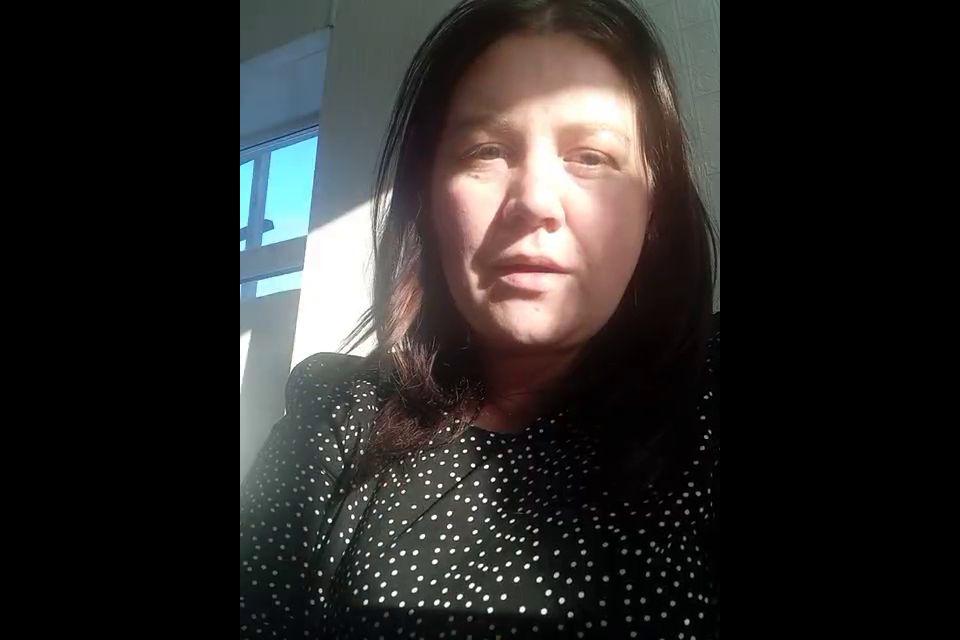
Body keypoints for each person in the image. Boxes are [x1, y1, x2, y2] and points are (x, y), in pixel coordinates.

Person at [240, 0, 719, 637]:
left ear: (653, 209)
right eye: (487, 150)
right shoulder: (336, 414)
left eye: (592, 156)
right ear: (429, 198)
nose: (535, 202)